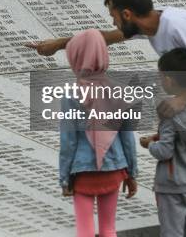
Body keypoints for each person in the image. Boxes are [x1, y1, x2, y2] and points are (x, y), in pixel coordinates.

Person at [27, 0, 186, 237]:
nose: (113, 22)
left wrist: (183, 100)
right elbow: (105, 38)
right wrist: (59, 44)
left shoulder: (176, 25)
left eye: (113, 15)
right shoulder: (151, 23)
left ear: (127, 14)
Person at [59, 29, 138, 237]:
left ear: (75, 58)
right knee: (109, 229)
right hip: (113, 169)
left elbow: (68, 142)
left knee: (84, 230)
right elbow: (127, 137)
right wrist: (132, 173)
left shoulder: (70, 96)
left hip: (82, 172)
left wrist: (64, 178)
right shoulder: (119, 92)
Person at [140, 48, 186, 237]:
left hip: (174, 185)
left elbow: (165, 152)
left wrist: (150, 144)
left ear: (169, 80)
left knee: (172, 231)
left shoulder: (169, 114)